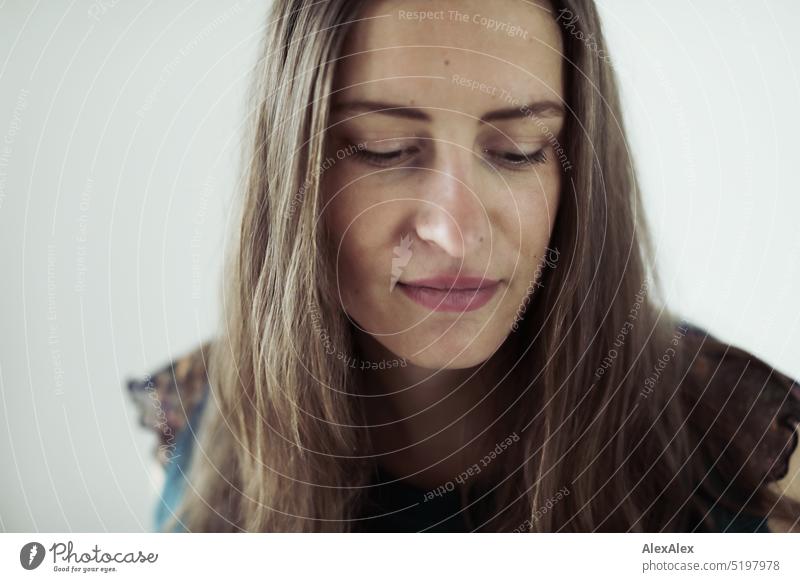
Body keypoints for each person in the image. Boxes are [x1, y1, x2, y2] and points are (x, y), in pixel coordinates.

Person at [126, 0, 800, 532]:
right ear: (292, 169)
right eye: (383, 149)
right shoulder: (192, 416)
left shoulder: (758, 450)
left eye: (518, 151)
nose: (455, 232)